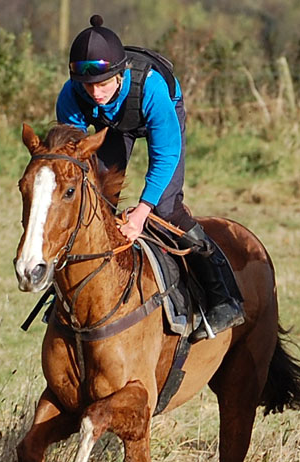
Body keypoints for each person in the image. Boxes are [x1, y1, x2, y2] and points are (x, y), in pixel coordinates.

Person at [56, 14, 244, 340]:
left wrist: (142, 212)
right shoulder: (71, 95)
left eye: (103, 84)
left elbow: (166, 155)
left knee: (166, 208)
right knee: (96, 205)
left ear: (121, 74)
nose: (95, 93)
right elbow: (74, 158)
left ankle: (223, 297)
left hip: (159, 112)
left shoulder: (152, 88)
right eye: (87, 85)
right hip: (111, 128)